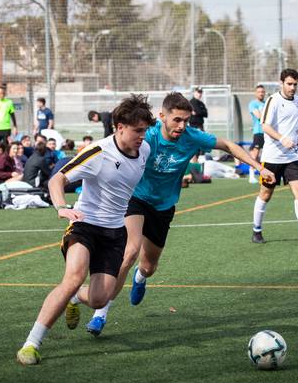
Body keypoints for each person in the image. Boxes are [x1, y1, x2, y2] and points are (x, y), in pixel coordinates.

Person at [69, 92, 275, 337]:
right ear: (162, 117)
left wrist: (260, 167)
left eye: (186, 120)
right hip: (135, 199)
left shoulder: (191, 137)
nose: (182, 126)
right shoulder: (148, 135)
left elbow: (228, 146)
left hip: (164, 207)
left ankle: (141, 277)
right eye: (177, 120)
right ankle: (100, 312)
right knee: (130, 251)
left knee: (149, 266)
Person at [16, 94, 155, 365]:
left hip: (115, 234)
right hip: (84, 225)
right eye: (138, 131)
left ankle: (75, 300)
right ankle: (31, 344)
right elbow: (57, 179)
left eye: (145, 131)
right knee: (74, 276)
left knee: (100, 297)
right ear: (120, 127)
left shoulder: (145, 150)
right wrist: (61, 207)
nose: (142, 136)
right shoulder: (98, 153)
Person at [251, 68, 298, 246]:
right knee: (265, 193)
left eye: (295, 84)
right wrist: (282, 139)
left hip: (292, 158)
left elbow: (297, 128)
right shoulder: (273, 100)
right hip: (272, 158)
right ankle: (256, 230)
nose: (293, 87)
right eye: (289, 84)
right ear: (281, 83)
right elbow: (265, 126)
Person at [248, 84, 267, 183]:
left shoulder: (266, 103)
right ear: (256, 93)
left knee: (268, 154)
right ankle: (251, 175)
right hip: (259, 132)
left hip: (268, 132)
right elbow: (258, 115)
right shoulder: (253, 104)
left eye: (262, 92)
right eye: (259, 92)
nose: (261, 94)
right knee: (255, 154)